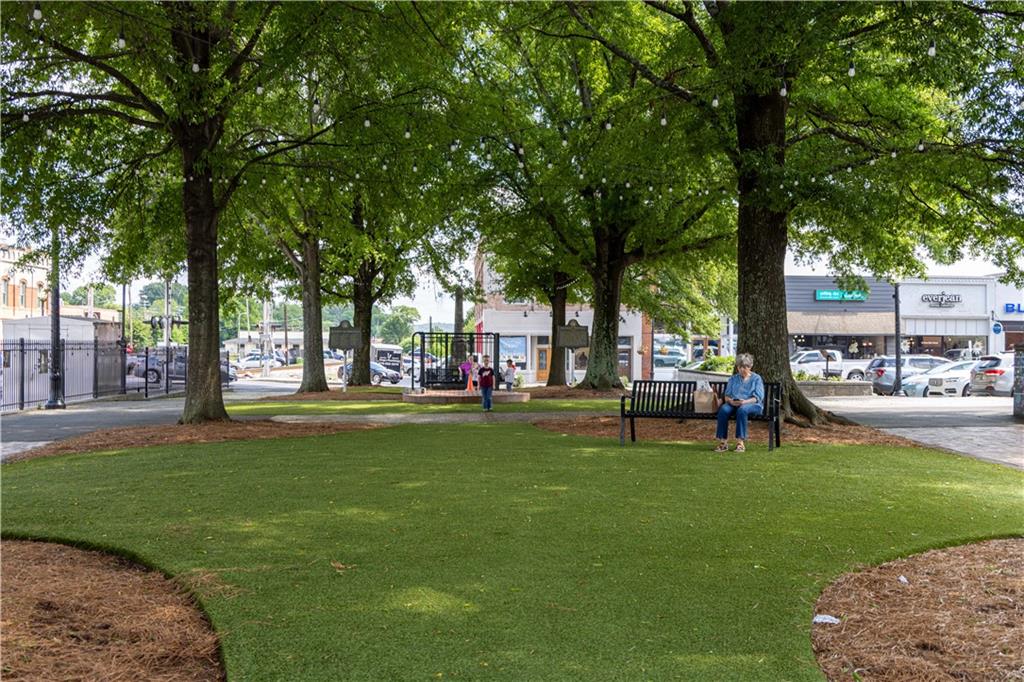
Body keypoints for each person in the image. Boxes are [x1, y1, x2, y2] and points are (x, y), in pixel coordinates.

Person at [714, 353, 764, 453]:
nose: (742, 369)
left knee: (742, 410)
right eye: (740, 367)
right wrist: (731, 401)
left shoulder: (756, 379)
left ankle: (740, 443)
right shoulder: (733, 379)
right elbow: (727, 395)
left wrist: (744, 402)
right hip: (734, 404)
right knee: (723, 409)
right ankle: (723, 442)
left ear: (750, 366)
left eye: (745, 367)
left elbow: (758, 398)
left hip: (752, 404)